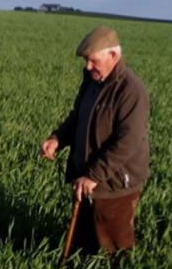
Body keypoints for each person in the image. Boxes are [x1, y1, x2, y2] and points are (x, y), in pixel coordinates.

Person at [39, 26, 150, 255]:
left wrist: (94, 175)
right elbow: (78, 116)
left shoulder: (131, 91)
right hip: (86, 177)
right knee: (83, 240)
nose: (88, 67)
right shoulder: (92, 81)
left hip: (115, 184)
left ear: (113, 56)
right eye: (86, 61)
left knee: (115, 246)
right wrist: (58, 138)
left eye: (93, 61)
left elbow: (127, 142)